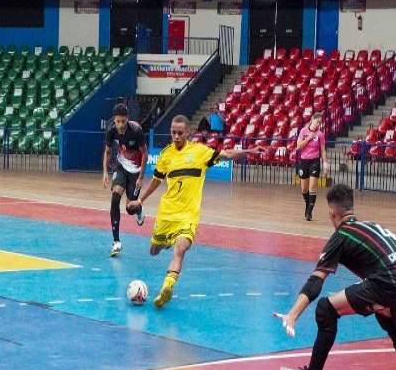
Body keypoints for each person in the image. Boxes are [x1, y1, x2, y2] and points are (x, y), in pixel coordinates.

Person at [273, 184, 396, 370]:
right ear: (351, 208)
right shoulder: (371, 225)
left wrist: (293, 314)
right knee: (387, 316)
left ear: (332, 213)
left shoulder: (342, 235)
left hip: (390, 280)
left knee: (326, 310)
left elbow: (316, 281)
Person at [127, 115, 265, 309]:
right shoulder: (166, 155)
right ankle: (165, 241)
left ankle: (166, 289)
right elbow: (157, 181)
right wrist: (140, 200)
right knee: (154, 250)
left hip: (188, 215)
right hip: (167, 212)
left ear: (188, 133)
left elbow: (226, 154)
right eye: (173, 133)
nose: (176, 136)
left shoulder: (200, 152)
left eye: (180, 133)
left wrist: (250, 150)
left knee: (180, 249)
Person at [102, 103, 148, 257]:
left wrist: (141, 177)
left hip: (135, 171)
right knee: (115, 199)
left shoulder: (136, 131)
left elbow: (145, 154)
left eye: (122, 121)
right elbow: (107, 152)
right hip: (121, 166)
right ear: (114, 120)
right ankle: (116, 242)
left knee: (130, 208)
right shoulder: (112, 131)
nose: (120, 125)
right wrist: (105, 172)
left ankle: (139, 209)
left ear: (127, 119)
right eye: (117, 121)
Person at [296, 112, 330, 221]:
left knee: (312, 187)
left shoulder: (320, 134)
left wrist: (325, 163)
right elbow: (298, 146)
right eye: (317, 122)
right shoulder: (303, 131)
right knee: (304, 188)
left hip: (314, 161)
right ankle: (307, 204)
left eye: (320, 123)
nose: (318, 124)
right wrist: (308, 138)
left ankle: (309, 212)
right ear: (312, 120)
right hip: (304, 161)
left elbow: (323, 150)